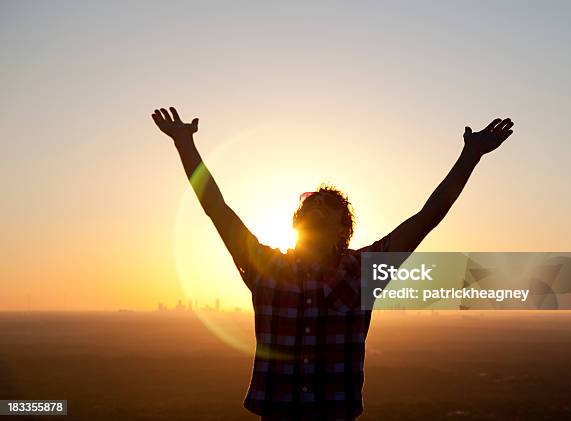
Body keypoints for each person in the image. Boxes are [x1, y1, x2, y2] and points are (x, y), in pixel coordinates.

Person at [152, 107, 514, 420]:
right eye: (308, 209)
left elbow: (428, 217)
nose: (315, 213)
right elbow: (217, 208)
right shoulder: (266, 267)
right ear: (296, 223)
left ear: (344, 229)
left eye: (327, 212)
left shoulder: (363, 271)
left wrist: (471, 156)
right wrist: (185, 144)